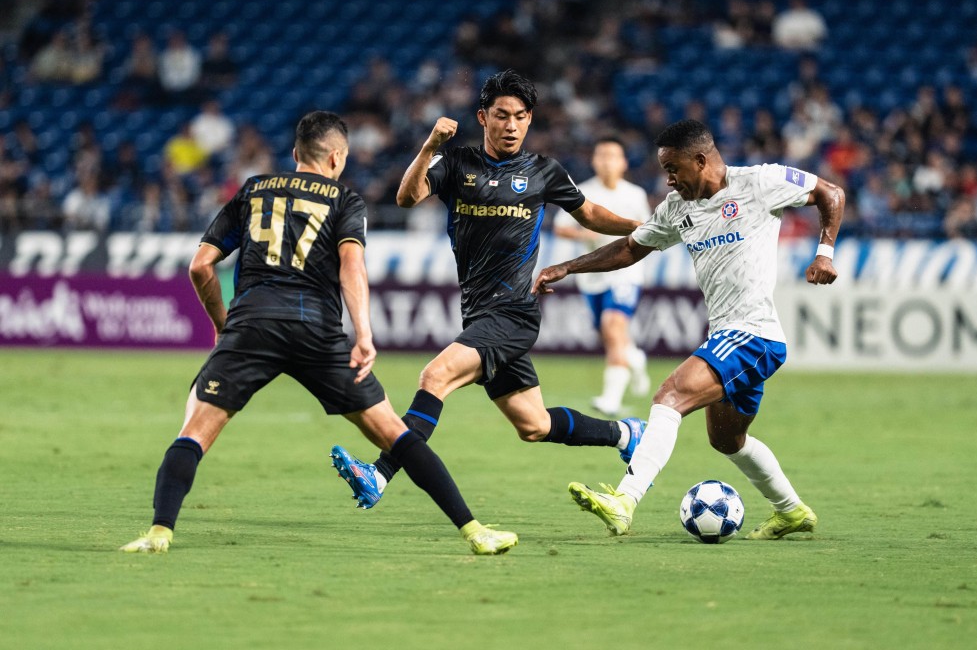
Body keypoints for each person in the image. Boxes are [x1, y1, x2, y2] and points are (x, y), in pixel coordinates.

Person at [120, 111, 517, 556]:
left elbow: (200, 266)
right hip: (318, 333)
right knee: (395, 437)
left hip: (252, 326)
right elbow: (352, 267)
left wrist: (220, 323)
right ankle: (475, 532)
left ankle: (159, 532)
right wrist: (363, 333)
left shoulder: (253, 189)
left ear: (295, 154)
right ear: (337, 156)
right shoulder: (344, 200)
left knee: (194, 431)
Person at [330, 70, 646, 510]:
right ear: (483, 117)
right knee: (533, 424)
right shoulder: (457, 164)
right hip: (479, 314)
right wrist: (429, 147)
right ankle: (627, 433)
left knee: (434, 377)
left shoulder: (543, 171)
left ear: (530, 120)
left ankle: (379, 475)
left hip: (513, 314)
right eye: (501, 116)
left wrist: (641, 226)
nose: (511, 125)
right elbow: (406, 197)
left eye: (520, 116)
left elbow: (589, 214)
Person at [532, 119, 844, 540]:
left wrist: (824, 253)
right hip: (728, 335)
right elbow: (629, 248)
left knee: (669, 397)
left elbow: (831, 192)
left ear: (701, 159)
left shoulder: (758, 182)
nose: (669, 179)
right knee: (727, 439)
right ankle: (791, 511)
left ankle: (624, 501)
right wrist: (567, 267)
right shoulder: (676, 208)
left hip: (754, 333)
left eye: (674, 168)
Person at [552, 137, 652, 417]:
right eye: (602, 155)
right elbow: (560, 227)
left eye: (613, 156)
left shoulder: (635, 195)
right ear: (594, 161)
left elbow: (647, 229)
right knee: (609, 334)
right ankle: (634, 357)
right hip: (592, 274)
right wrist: (586, 233)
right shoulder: (582, 192)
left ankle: (611, 397)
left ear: (623, 162)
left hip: (625, 271)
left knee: (612, 324)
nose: (607, 161)